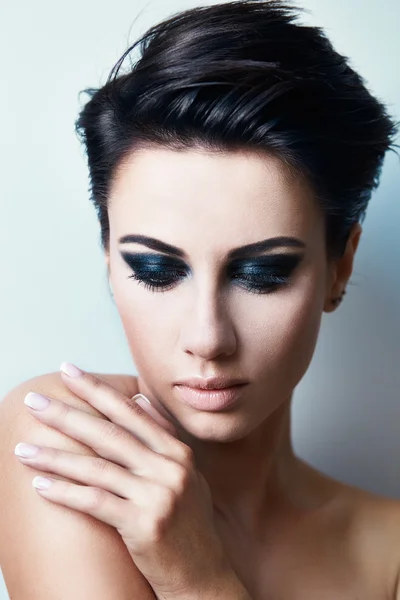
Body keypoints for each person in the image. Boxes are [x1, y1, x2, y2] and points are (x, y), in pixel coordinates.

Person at [0, 0, 399, 598]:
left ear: (339, 266)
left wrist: (197, 577)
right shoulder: (68, 439)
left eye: (263, 273)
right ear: (110, 261)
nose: (207, 337)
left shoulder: (389, 554)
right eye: (157, 270)